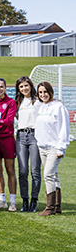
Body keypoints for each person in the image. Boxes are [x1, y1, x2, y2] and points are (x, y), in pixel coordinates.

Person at [35, 81, 70, 216]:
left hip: (54, 148)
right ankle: (57, 206)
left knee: (48, 175)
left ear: (50, 92)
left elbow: (63, 128)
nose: (43, 95)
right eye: (40, 92)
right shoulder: (42, 107)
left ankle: (49, 208)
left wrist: (61, 148)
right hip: (42, 147)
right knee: (54, 176)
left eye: (45, 92)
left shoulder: (59, 107)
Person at [0, 78, 18, 211]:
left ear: (5, 88)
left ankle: (12, 201)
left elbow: (8, 121)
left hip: (7, 140)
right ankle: (2, 200)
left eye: (1, 87)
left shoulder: (11, 102)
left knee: (10, 170)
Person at [14, 76, 42, 212]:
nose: (24, 88)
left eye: (26, 85)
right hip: (20, 137)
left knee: (35, 171)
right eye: (21, 86)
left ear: (31, 86)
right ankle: (24, 201)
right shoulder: (18, 102)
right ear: (18, 89)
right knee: (23, 171)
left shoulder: (38, 101)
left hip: (34, 136)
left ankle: (34, 201)